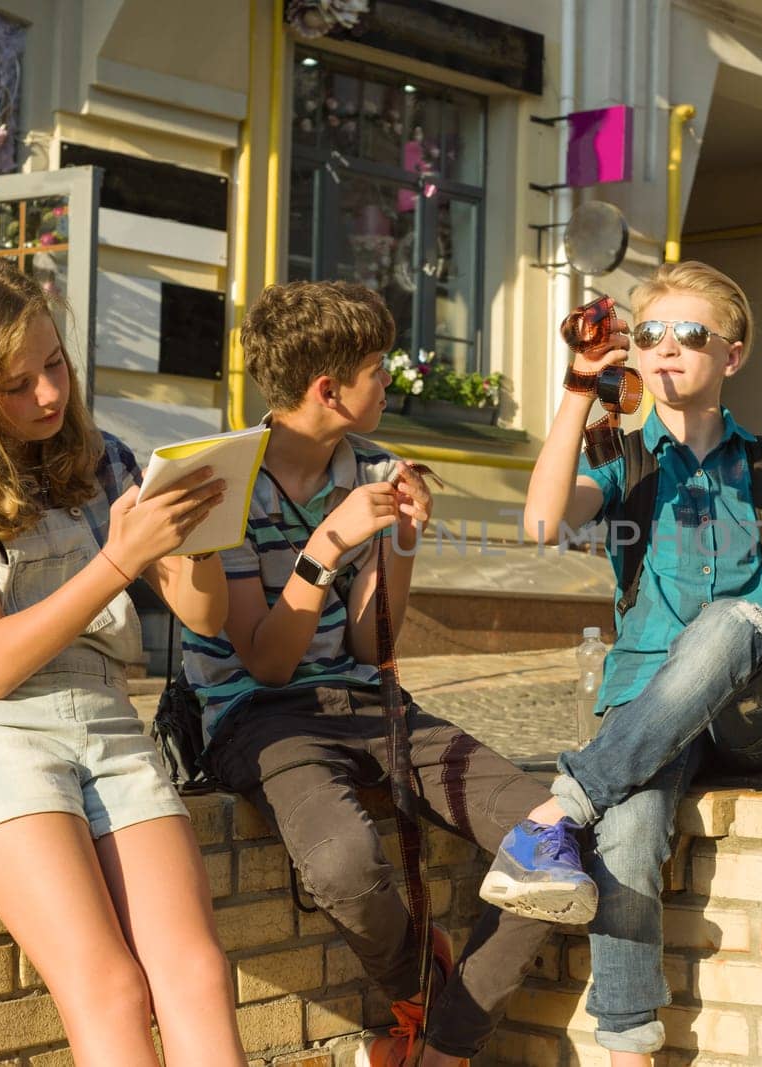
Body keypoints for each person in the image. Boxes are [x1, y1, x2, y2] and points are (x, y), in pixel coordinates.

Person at [186, 279, 596, 1067]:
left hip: (368, 699)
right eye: (380, 367)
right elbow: (267, 660)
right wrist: (327, 547)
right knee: (343, 864)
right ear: (327, 389)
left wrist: (403, 543)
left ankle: (444, 1043)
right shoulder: (224, 478)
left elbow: (376, 647)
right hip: (259, 717)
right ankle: (422, 977)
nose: (393, 380)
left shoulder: (376, 466)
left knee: (553, 832)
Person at [483, 261, 762, 1065]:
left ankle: (558, 808)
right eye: (650, 336)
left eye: (690, 335)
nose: (665, 350)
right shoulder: (622, 459)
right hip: (646, 707)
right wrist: (577, 391)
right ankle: (629, 1048)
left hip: (755, 707)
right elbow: (543, 524)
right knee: (631, 829)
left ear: (733, 355)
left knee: (740, 616)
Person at [0, 258, 244, 1066]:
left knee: (194, 973)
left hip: (104, 717)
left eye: (56, 364)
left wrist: (204, 536)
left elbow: (205, 615)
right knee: (110, 987)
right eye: (17, 384)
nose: (48, 394)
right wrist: (120, 560)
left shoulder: (103, 454)